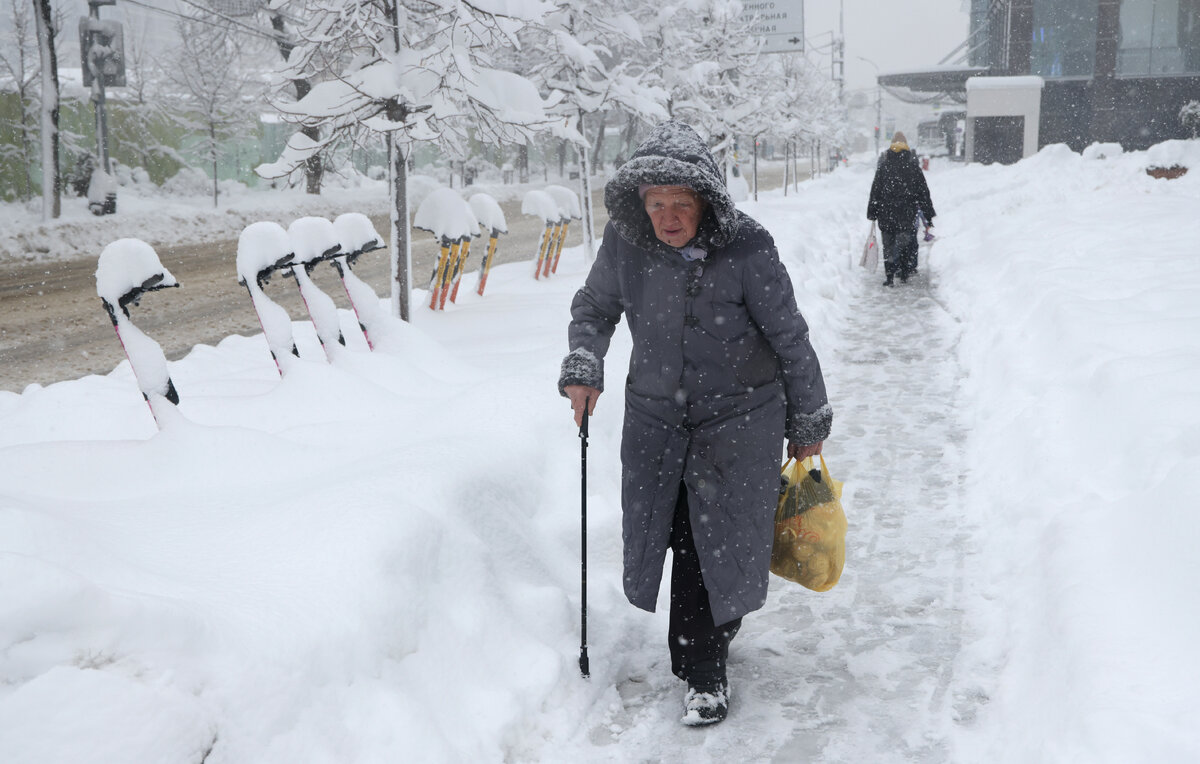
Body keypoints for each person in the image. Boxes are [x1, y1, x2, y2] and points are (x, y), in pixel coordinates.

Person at [557, 121, 832, 726]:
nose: (668, 216)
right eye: (657, 203)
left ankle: (704, 668)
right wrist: (584, 361)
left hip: (739, 421)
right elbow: (596, 306)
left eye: (681, 202)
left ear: (705, 199)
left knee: (717, 536)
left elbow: (789, 337)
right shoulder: (627, 244)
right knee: (680, 531)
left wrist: (806, 417)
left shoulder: (748, 248)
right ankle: (704, 642)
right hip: (657, 420)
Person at [866, 131, 936, 285]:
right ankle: (904, 272)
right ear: (907, 151)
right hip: (906, 213)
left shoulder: (884, 167)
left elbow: (875, 191)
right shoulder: (913, 167)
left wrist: (872, 211)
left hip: (886, 213)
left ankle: (890, 276)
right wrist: (928, 214)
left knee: (888, 245)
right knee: (904, 243)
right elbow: (923, 192)